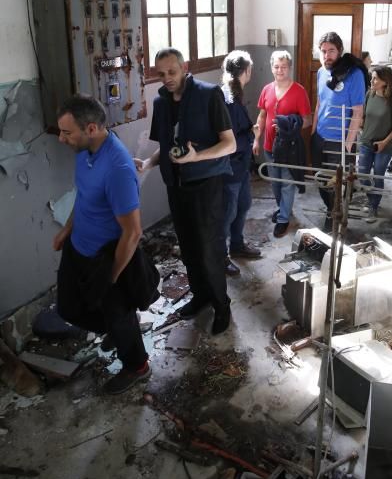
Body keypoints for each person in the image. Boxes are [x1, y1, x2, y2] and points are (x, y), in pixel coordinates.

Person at [53, 95, 155, 395]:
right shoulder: (84, 152)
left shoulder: (117, 168)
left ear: (92, 128)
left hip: (106, 256)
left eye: (66, 132)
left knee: (116, 311)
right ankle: (119, 326)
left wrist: (111, 277)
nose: (61, 139)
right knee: (69, 308)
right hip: (78, 246)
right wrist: (67, 230)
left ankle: (137, 366)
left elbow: (133, 232)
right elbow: (84, 196)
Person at [135, 48, 236, 334]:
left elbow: (229, 144)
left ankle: (221, 304)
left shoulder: (208, 94)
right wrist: (147, 163)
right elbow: (165, 146)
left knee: (209, 249)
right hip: (176, 186)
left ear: (185, 67)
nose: (166, 78)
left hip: (206, 184)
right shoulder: (161, 102)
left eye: (172, 72)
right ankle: (201, 296)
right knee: (189, 248)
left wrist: (196, 157)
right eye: (161, 74)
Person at [311, 32, 367, 231]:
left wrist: (348, 143)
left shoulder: (354, 75)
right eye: (323, 51)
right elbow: (319, 103)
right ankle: (331, 210)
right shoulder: (321, 72)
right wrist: (313, 132)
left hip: (340, 141)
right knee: (322, 179)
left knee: (340, 184)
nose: (327, 55)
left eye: (331, 51)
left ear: (340, 51)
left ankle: (338, 217)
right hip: (320, 137)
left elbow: (358, 111)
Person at [253, 50, 312, 238]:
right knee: (276, 183)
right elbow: (262, 115)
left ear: (290, 68)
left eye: (284, 67)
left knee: (287, 183)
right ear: (272, 68)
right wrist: (256, 138)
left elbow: (307, 120)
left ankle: (284, 218)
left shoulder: (299, 91)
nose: (280, 70)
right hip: (270, 146)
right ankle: (283, 209)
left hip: (290, 148)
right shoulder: (266, 90)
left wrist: (290, 123)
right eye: (276, 66)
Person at [221, 51, 261, 276]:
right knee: (227, 213)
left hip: (242, 166)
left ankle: (236, 245)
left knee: (243, 205)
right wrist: (251, 133)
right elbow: (230, 138)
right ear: (247, 72)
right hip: (230, 167)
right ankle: (221, 257)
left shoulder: (234, 95)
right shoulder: (227, 98)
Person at [358, 67, 392, 222]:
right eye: (372, 77)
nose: (372, 81)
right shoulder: (369, 95)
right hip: (365, 143)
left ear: (385, 81)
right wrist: (360, 128)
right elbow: (364, 116)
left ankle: (373, 206)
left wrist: (384, 142)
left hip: (384, 146)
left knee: (378, 176)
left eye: (375, 78)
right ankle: (372, 198)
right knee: (362, 175)